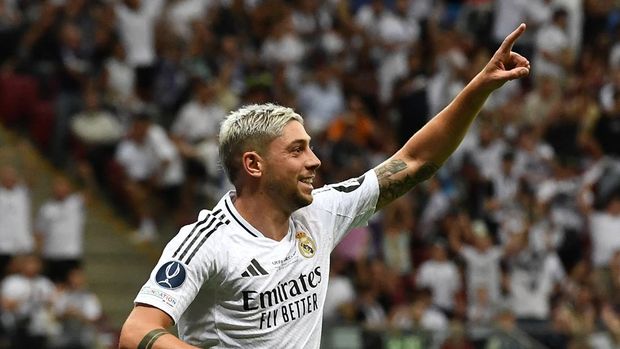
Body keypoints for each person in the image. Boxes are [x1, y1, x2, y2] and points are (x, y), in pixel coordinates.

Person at [118, 24, 531, 349]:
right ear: (253, 164)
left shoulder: (321, 211)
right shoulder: (207, 243)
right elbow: (137, 331)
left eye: (311, 148)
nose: (314, 161)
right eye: (297, 150)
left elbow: (416, 161)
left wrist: (479, 88)